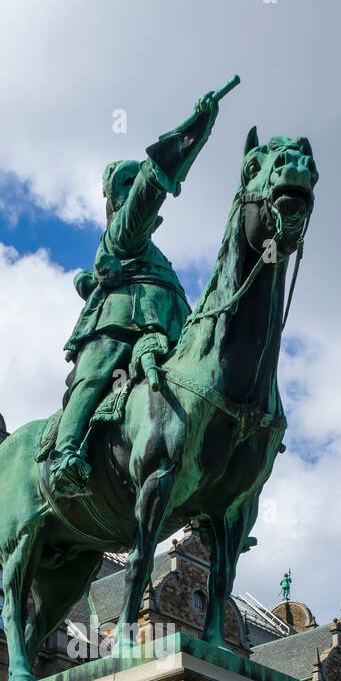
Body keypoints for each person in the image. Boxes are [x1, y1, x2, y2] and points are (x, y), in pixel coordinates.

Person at [47, 89, 226, 497]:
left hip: (170, 321)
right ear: (113, 198)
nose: (134, 188)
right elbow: (153, 184)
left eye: (134, 180)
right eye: (125, 183)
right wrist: (195, 131)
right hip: (120, 320)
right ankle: (65, 456)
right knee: (94, 378)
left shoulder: (150, 250)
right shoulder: (121, 233)